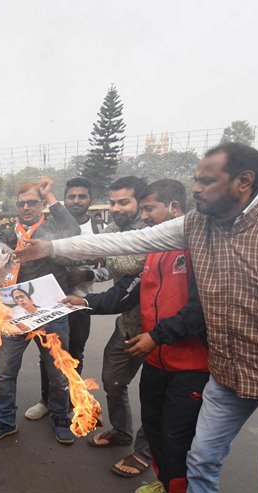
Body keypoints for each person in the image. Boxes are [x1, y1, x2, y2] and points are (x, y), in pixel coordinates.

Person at [14, 142, 258, 493]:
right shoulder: (193, 227)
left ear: (244, 181)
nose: (198, 188)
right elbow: (123, 244)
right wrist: (52, 246)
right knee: (200, 462)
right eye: (196, 180)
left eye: (207, 180)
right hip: (226, 376)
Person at [62, 179, 208, 493]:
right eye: (140, 210)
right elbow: (127, 296)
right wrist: (85, 301)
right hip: (155, 357)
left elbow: (199, 309)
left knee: (179, 435)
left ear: (173, 210)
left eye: (147, 210)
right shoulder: (154, 253)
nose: (142, 218)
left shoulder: (195, 251)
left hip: (189, 362)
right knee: (156, 425)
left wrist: (156, 336)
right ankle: (164, 482)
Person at [0, 177, 80, 445]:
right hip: (14, 314)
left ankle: (60, 419)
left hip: (51, 313)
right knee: (5, 373)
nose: (26, 207)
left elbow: (73, 229)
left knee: (57, 370)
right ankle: (5, 421)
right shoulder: (8, 232)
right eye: (21, 203)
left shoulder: (52, 228)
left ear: (41, 205)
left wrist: (51, 197)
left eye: (32, 202)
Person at [79, 176, 152, 477]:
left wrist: (108, 259)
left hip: (160, 330)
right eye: (113, 202)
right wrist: (91, 269)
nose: (117, 208)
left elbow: (129, 268)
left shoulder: (153, 231)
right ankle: (121, 431)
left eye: (124, 202)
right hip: (127, 325)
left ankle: (145, 452)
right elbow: (109, 265)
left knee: (153, 395)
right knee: (112, 381)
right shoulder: (113, 229)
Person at [25, 177, 110, 421]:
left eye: (81, 196)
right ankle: (46, 400)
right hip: (50, 304)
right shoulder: (53, 224)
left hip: (81, 303)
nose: (76, 201)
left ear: (90, 201)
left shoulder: (99, 230)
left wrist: (89, 273)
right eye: (71, 196)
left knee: (74, 354)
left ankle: (71, 401)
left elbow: (111, 269)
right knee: (48, 352)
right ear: (64, 199)